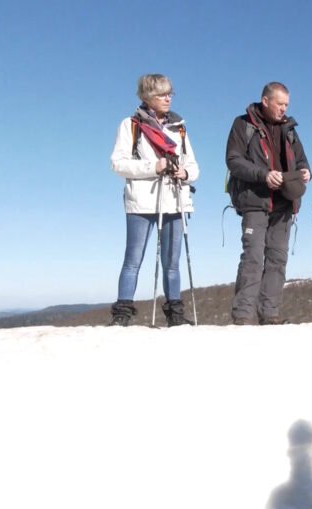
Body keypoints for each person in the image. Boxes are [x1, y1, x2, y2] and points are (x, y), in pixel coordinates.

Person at [109, 73, 200, 327]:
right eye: (162, 94)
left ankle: (176, 315)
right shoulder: (131, 125)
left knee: (172, 263)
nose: (168, 98)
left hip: (175, 199)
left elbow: (193, 165)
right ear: (147, 97)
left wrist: (186, 173)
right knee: (133, 259)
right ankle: (122, 313)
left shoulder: (179, 127)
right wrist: (155, 166)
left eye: (170, 92)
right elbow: (118, 163)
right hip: (141, 200)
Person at [226, 82, 311, 325]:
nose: (284, 109)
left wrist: (306, 172)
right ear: (265, 101)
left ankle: (269, 315)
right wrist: (264, 175)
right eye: (280, 104)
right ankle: (243, 316)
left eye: (287, 105)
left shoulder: (290, 129)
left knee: (277, 259)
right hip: (255, 201)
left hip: (284, 203)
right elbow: (233, 160)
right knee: (253, 257)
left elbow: (303, 160)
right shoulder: (243, 124)